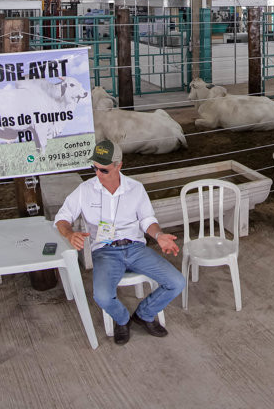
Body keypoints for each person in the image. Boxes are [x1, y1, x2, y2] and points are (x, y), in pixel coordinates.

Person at [54, 139, 186, 345]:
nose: (97, 174)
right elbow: (62, 218)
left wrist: (159, 235)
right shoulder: (84, 189)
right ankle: (122, 320)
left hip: (135, 247)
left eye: (104, 170)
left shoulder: (136, 188)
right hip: (105, 251)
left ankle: (144, 315)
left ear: (119, 166)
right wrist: (70, 234)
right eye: (94, 167)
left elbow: (147, 220)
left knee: (177, 282)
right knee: (102, 296)